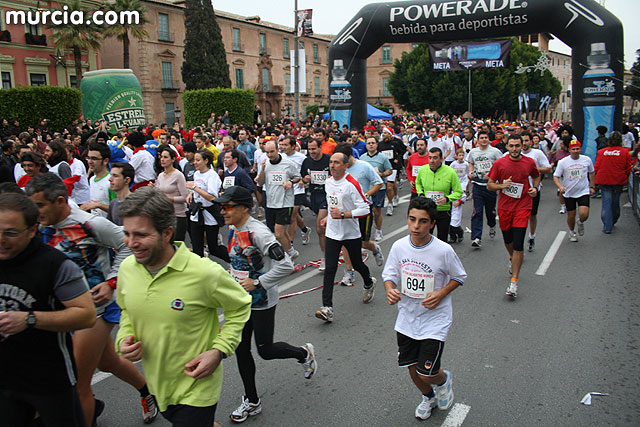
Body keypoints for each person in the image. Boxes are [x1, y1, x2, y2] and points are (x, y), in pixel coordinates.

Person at [25, 173, 159, 426]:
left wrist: (111, 282)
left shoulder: (90, 224)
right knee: (107, 362)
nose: (35, 211)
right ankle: (148, 391)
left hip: (95, 309)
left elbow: (127, 244)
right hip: (63, 310)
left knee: (79, 383)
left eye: (40, 205)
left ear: (60, 201)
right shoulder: (40, 229)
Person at [115, 187, 252, 427]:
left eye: (141, 235)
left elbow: (240, 306)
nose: (131, 243)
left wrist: (219, 351)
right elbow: (126, 310)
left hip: (196, 387)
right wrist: (125, 337)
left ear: (167, 233)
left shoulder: (203, 272)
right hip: (159, 384)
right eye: (127, 234)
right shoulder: (127, 269)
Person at [213, 186, 317, 423]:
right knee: (240, 349)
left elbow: (286, 265)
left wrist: (258, 282)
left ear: (243, 208)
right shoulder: (233, 228)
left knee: (265, 350)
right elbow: (237, 262)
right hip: (240, 301)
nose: (223, 211)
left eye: (227, 207)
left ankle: (304, 353)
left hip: (261, 301)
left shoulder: (260, 233)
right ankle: (252, 400)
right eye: (221, 207)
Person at [0, 192, 96, 427]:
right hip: (4, 378)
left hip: (49, 379)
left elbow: (86, 315)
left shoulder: (56, 264)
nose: (1, 239)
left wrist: (30, 319)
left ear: (32, 230)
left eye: (10, 233)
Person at [382, 196, 466, 420]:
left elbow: (459, 276)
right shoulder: (399, 247)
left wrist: (441, 293)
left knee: (426, 370)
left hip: (434, 319)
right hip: (407, 317)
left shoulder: (443, 250)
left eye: (422, 221)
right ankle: (428, 397)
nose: (416, 226)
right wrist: (390, 289)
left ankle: (443, 380)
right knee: (411, 366)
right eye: (412, 219)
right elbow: (389, 275)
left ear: (432, 224)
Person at [316, 152, 377, 323]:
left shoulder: (352, 183)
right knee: (330, 269)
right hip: (333, 233)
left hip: (350, 233)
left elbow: (365, 208)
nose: (332, 165)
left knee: (357, 264)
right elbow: (333, 204)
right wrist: (329, 216)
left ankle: (369, 282)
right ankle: (327, 307)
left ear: (345, 166)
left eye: (336, 162)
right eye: (330, 162)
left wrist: (344, 214)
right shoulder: (328, 182)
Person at [486, 134, 540, 298]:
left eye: (518, 145)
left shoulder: (529, 162)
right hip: (504, 208)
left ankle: (514, 282)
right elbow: (489, 185)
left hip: (523, 207)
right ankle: (511, 257)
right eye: (512, 146)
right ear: (507, 146)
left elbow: (536, 175)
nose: (515, 149)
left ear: (522, 145)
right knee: (508, 240)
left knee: (518, 244)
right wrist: (502, 185)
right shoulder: (500, 163)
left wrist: (534, 188)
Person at [256, 141, 301, 259]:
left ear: (277, 150)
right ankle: (291, 251)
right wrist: (262, 170)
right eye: (267, 152)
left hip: (285, 202)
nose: (270, 155)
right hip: (271, 201)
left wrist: (290, 182)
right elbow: (260, 183)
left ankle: (289, 255)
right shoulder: (264, 164)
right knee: (277, 231)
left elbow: (297, 177)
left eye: (272, 151)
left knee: (278, 233)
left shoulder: (288, 163)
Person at [186, 149, 229, 262]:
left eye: (198, 160)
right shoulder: (196, 174)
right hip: (197, 213)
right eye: (194, 160)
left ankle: (234, 261)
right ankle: (200, 272)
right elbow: (197, 189)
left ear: (206, 161)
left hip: (209, 213)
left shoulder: (212, 175)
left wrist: (194, 188)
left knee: (213, 248)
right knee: (197, 248)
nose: (195, 162)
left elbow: (212, 197)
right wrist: (191, 193)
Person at [414, 148, 463, 242]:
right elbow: (418, 183)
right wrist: (420, 193)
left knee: (442, 239)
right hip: (427, 210)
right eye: (430, 158)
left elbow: (458, 192)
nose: (432, 161)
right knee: (425, 237)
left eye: (435, 158)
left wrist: (447, 198)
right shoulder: (423, 170)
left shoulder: (450, 172)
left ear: (441, 159)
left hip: (443, 211)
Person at [553, 140, 595, 242]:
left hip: (583, 191)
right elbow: (556, 176)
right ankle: (572, 232)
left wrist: (592, 186)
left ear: (580, 149)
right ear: (569, 150)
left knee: (584, 214)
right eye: (573, 149)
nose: (575, 151)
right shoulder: (563, 162)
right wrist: (560, 187)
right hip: (569, 192)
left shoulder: (586, 160)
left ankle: (580, 222)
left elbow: (592, 173)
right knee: (571, 215)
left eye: (577, 149)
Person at [467, 130, 502, 248]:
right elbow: (471, 163)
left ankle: (492, 225)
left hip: (490, 185)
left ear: (489, 139)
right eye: (481, 138)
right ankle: (476, 237)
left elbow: (500, 165)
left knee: (490, 211)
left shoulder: (495, 152)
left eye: (486, 137)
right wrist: (471, 171)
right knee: (477, 211)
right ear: (478, 139)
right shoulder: (473, 152)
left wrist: (493, 174)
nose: (484, 140)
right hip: (477, 184)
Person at [300, 138, 331, 270]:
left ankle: (325, 259)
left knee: (320, 228)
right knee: (325, 230)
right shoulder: (306, 162)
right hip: (314, 196)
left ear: (320, 148)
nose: (311, 151)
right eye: (309, 149)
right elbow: (302, 178)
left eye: (314, 149)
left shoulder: (329, 160)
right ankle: (329, 253)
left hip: (327, 196)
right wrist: (304, 179)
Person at [594, 131, 633, 234]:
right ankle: (612, 220)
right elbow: (628, 168)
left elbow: (597, 167)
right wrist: (625, 177)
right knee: (615, 203)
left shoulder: (601, 152)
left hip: (605, 180)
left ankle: (607, 225)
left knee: (606, 203)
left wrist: (594, 181)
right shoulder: (625, 153)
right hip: (618, 180)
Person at [520, 132, 552, 252]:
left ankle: (531, 236)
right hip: (519, 191)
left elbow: (548, 169)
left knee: (532, 215)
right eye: (522, 141)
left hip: (533, 189)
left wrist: (534, 169)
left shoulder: (537, 153)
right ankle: (519, 240)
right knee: (520, 216)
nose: (524, 143)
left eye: (527, 140)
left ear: (531, 142)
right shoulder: (514, 154)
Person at [279, 136, 312, 246]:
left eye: (286, 145)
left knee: (292, 215)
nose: (283, 147)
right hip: (285, 189)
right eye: (282, 145)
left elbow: (308, 172)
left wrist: (303, 180)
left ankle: (290, 243)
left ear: (293, 146)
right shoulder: (281, 157)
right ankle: (305, 229)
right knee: (293, 214)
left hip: (298, 188)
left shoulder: (301, 157)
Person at [360, 136, 393, 242]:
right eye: (368, 143)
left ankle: (378, 230)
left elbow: (390, 170)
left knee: (376, 211)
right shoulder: (362, 158)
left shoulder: (382, 157)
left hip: (379, 188)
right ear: (366, 145)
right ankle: (365, 233)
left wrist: (382, 174)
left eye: (372, 143)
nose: (371, 145)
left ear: (376, 144)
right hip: (366, 189)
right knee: (367, 211)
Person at [156, 146, 189, 242]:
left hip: (178, 215)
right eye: (161, 157)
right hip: (164, 215)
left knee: (176, 244)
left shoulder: (178, 175)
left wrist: (169, 199)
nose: (162, 159)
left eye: (166, 157)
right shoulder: (160, 176)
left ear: (173, 159)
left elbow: (185, 197)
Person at [81, 142, 115, 217]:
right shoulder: (92, 180)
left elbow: (117, 210)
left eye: (94, 158)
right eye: (88, 158)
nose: (90, 162)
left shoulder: (111, 181)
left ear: (105, 161)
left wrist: (99, 205)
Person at [448, 148, 469, 243]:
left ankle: (459, 233)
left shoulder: (466, 164)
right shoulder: (453, 164)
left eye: (462, 155)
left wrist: (460, 201)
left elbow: (468, 174)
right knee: (448, 221)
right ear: (456, 155)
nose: (461, 157)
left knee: (455, 221)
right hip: (453, 186)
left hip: (462, 185)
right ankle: (452, 237)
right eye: (459, 155)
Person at [108, 162, 135, 226]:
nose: (110, 179)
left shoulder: (135, 203)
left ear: (127, 180)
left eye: (115, 176)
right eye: (111, 175)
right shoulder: (113, 203)